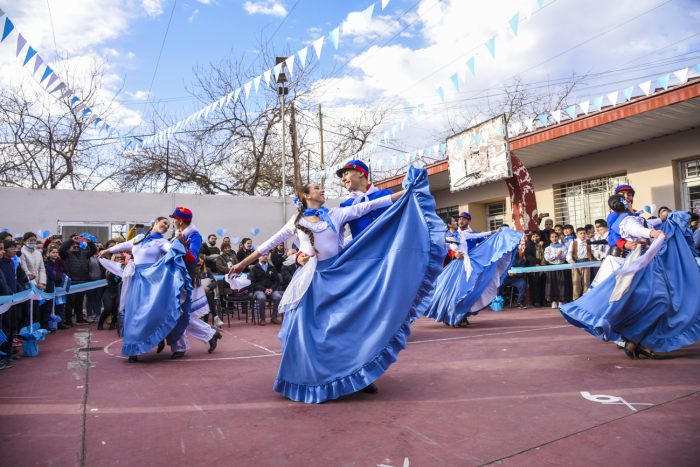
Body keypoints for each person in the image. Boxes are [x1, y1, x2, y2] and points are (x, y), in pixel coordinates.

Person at [229, 167, 444, 404]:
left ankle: (355, 373)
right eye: (317, 188)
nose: (322, 190)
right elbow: (268, 244)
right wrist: (241, 264)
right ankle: (308, 376)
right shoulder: (296, 221)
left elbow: (368, 206)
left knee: (344, 327)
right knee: (305, 331)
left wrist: (404, 194)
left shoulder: (334, 214)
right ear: (306, 195)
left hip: (338, 276)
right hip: (310, 280)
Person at [560, 197, 700, 359]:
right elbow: (638, 229)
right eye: (627, 200)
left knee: (655, 302)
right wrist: (652, 233)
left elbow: (649, 224)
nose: (630, 201)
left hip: (646, 263)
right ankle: (632, 340)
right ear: (626, 206)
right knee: (655, 301)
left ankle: (635, 342)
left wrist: (661, 221)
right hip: (642, 266)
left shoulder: (634, 218)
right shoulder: (627, 221)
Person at [101, 217, 192, 362]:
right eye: (164, 223)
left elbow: (171, 251)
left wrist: (177, 242)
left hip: (152, 281)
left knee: (153, 312)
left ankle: (164, 341)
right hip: (136, 280)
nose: (166, 226)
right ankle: (133, 350)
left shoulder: (162, 242)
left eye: (168, 225)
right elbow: (125, 244)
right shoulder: (139, 238)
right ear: (155, 223)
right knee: (133, 314)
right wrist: (107, 250)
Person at [423, 211, 522, 327]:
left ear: (469, 221)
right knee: (452, 292)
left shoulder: (464, 234)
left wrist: (495, 233)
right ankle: (451, 315)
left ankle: (461, 315)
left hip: (471, 264)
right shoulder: (446, 236)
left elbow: (483, 239)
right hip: (454, 266)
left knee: (468, 290)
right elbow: (442, 248)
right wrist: (453, 254)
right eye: (457, 219)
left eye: (463, 219)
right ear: (450, 224)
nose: (459, 221)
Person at [168, 207, 222, 358]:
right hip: (176, 278)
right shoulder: (178, 234)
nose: (172, 221)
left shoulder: (194, 235)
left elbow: (192, 260)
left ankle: (180, 347)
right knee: (184, 315)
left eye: (174, 218)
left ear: (180, 220)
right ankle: (210, 335)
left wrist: (184, 247)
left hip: (186, 279)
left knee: (180, 314)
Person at [336, 159, 394, 239]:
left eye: (346, 174)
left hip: (390, 248)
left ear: (361, 173)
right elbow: (334, 232)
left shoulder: (386, 194)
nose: (343, 179)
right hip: (364, 250)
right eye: (342, 177)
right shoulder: (346, 205)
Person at [59, 235, 97, 325]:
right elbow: (61, 249)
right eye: (74, 246)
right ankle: (68, 321)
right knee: (69, 303)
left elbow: (94, 251)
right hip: (71, 282)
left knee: (79, 302)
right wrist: (70, 240)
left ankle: (80, 318)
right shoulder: (66, 254)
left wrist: (89, 242)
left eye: (77, 246)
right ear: (69, 247)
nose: (76, 248)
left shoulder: (84, 253)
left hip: (82, 281)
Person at [19, 232, 47, 328]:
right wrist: (34, 284)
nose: (33, 242)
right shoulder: (22, 252)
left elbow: (42, 269)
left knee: (35, 309)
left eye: (34, 240)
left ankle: (34, 329)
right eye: (30, 240)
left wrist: (42, 282)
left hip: (38, 286)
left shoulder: (38, 252)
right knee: (27, 311)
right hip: (28, 285)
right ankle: (26, 331)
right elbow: (24, 270)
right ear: (24, 241)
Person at [249, 253, 282, 325]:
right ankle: (262, 319)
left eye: (267, 255)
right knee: (262, 298)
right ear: (258, 257)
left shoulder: (272, 267)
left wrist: (271, 289)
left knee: (278, 297)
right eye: (264, 255)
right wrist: (264, 290)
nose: (266, 256)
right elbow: (253, 283)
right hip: (259, 290)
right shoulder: (254, 268)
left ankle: (274, 317)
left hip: (271, 290)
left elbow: (276, 281)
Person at [544, 232, 571, 308]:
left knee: (561, 284)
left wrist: (559, 256)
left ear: (558, 237)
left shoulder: (563, 247)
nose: (554, 238)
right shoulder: (548, 248)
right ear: (550, 238)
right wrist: (556, 255)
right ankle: (553, 301)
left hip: (561, 266)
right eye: (552, 237)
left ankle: (561, 301)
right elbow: (547, 258)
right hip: (552, 267)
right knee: (552, 284)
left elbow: (565, 257)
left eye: (556, 236)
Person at [98, 253, 124, 331]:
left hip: (119, 292)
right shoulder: (109, 267)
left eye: (121, 257)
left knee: (117, 309)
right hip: (109, 291)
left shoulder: (126, 267)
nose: (119, 259)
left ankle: (113, 323)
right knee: (108, 308)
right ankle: (100, 322)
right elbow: (109, 276)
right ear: (114, 259)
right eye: (117, 257)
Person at [567, 227, 592, 300]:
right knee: (576, 282)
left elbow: (593, 251)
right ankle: (576, 299)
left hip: (586, 263)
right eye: (581, 233)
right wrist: (571, 260)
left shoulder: (589, 242)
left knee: (586, 282)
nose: (583, 235)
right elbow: (569, 253)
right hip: (576, 263)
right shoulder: (573, 242)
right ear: (577, 234)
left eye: (584, 233)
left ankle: (586, 298)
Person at [525, 231, 545, 307]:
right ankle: (536, 301)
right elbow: (528, 257)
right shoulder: (529, 246)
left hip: (544, 268)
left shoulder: (543, 245)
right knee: (535, 285)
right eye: (533, 236)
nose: (535, 238)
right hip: (533, 268)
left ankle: (543, 301)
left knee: (543, 284)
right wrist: (539, 261)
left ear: (540, 237)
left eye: (537, 236)